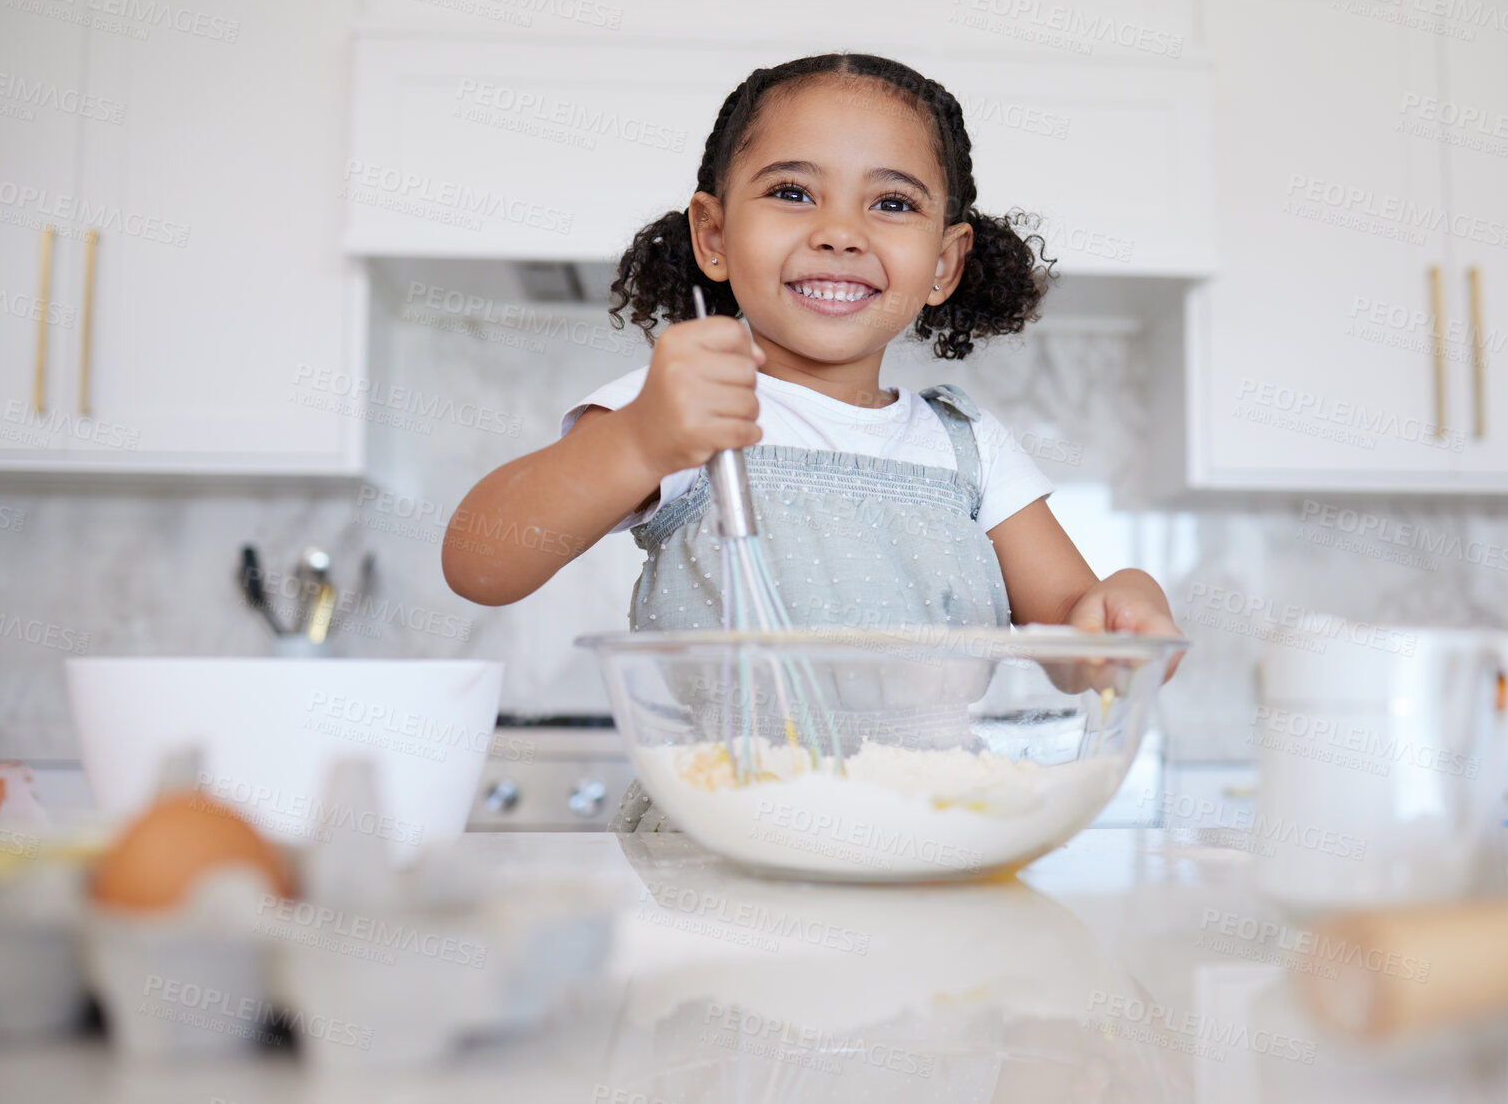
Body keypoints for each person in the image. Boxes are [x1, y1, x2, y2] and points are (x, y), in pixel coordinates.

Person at [443, 52, 1184, 828]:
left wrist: (1123, 607)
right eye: (792, 192)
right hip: (721, 842)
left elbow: (1074, 638)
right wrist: (637, 443)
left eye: (891, 203)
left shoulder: (968, 447)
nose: (839, 233)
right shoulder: (680, 404)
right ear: (713, 234)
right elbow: (478, 563)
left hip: (928, 834)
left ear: (943, 261)